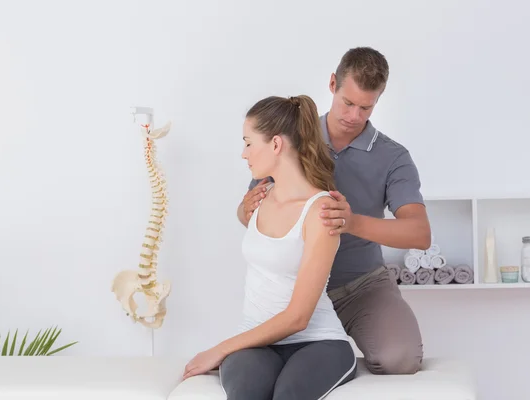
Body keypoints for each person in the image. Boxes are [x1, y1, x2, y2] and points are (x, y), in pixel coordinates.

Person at [237, 47, 431, 375]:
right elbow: (250, 216)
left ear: (378, 100)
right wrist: (245, 208)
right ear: (332, 84)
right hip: (292, 289)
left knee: (401, 358)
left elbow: (419, 234)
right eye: (348, 103)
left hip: (361, 285)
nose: (354, 116)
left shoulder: (393, 157)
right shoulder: (291, 136)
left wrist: (351, 222)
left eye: (366, 107)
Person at [182, 94, 357, 399]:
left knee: (288, 395)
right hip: (256, 341)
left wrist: (218, 350)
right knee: (247, 393)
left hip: (319, 342)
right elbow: (249, 223)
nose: (243, 153)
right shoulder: (261, 198)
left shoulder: (321, 211)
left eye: (249, 142)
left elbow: (298, 317)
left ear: (276, 145)